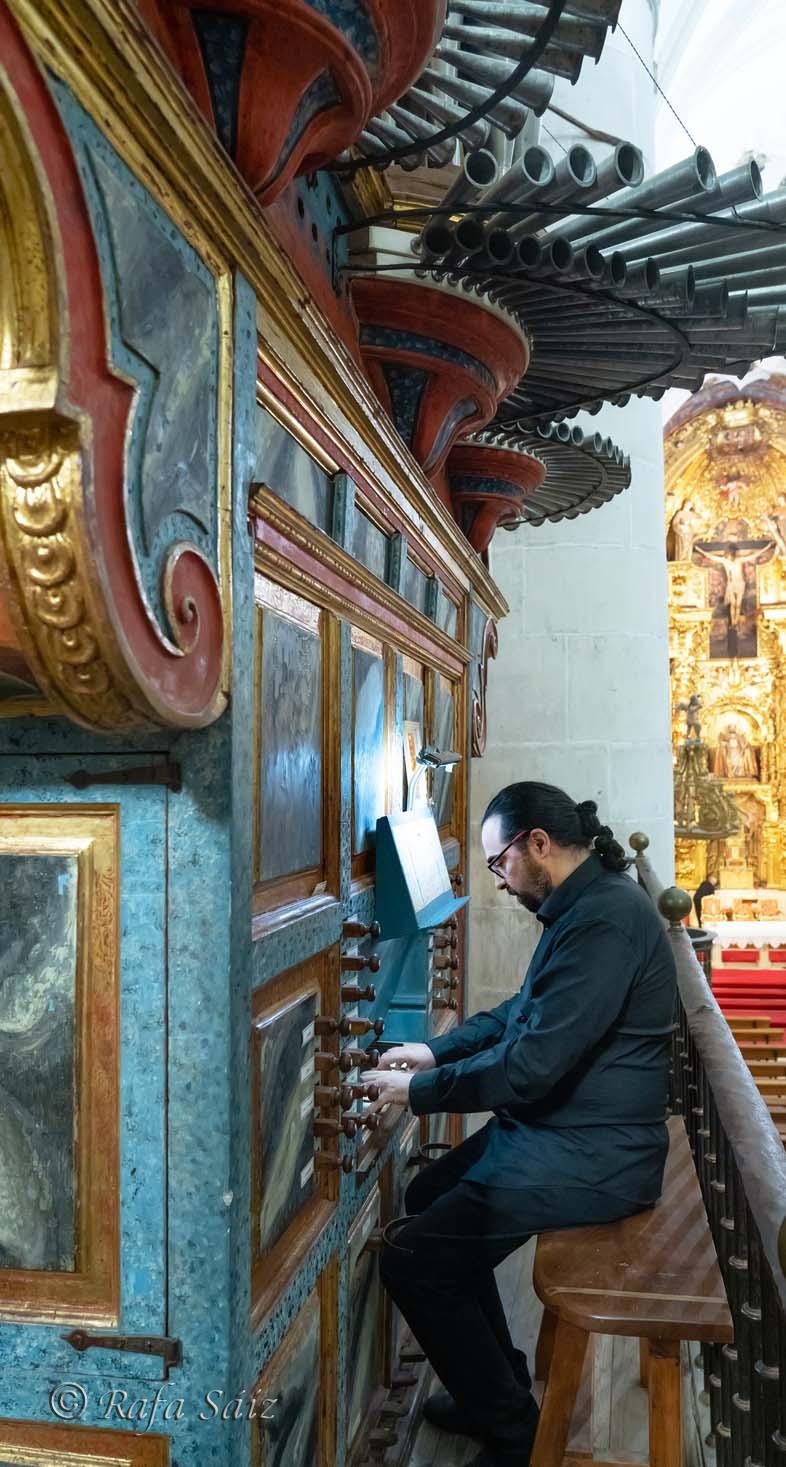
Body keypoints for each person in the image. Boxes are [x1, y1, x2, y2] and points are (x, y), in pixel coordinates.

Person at [362, 782, 677, 1467]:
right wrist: (436, 1051)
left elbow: (532, 1066)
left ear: (537, 843)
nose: (499, 882)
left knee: (412, 1263)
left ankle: (514, 1434)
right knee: (426, 1194)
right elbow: (521, 1012)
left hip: (594, 1154)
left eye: (499, 863)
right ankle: (496, 1386)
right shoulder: (584, 905)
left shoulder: (605, 920)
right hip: (561, 1131)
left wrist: (419, 1092)